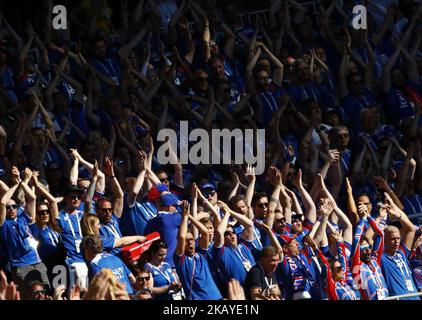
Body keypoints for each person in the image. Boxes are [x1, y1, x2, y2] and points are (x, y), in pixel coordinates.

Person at [0, 167, 50, 299]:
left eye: (14, 207)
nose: (11, 209)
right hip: (20, 265)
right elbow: (2, 201)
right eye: (8, 208)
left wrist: (22, 181)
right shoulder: (3, 224)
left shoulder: (23, 218)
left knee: (45, 294)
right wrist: (16, 184)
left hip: (37, 261)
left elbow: (32, 198)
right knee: (27, 296)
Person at [174, 201, 222, 300]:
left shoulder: (201, 254)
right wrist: (184, 218)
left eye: (191, 239)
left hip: (217, 297)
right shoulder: (181, 260)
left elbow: (204, 232)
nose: (190, 242)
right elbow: (182, 237)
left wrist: (189, 216)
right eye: (186, 241)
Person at [380, 194, 419, 299]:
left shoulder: (402, 253)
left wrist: (398, 213)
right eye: (392, 239)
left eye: (398, 238)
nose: (396, 242)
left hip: (415, 297)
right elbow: (368, 237)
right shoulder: (381, 258)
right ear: (385, 240)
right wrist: (381, 218)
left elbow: (411, 229)